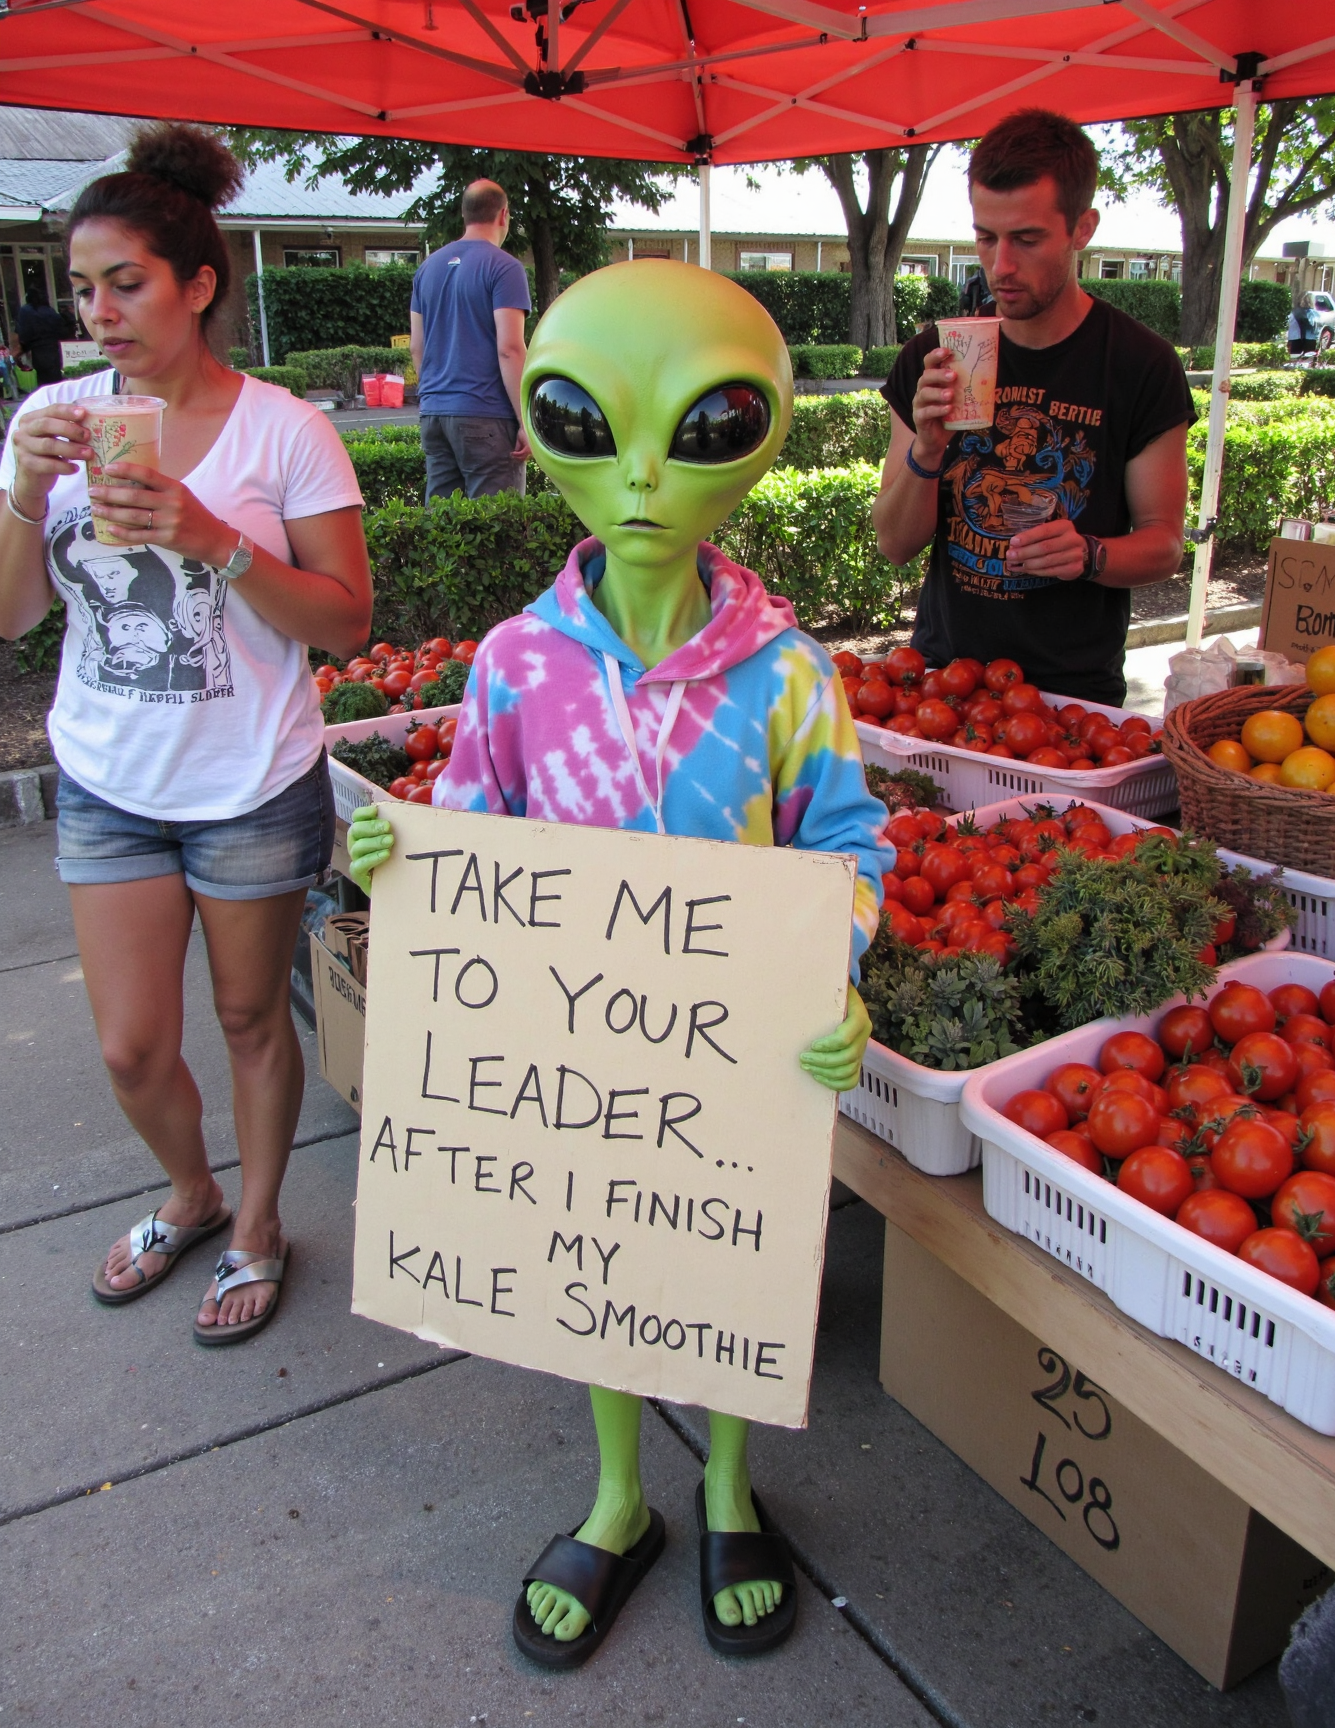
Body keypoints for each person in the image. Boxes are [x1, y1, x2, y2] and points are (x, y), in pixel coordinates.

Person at [347, 260, 891, 1667]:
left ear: (759, 438)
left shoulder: (789, 676)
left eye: (703, 426)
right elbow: (475, 815)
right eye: (592, 419)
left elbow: (851, 840)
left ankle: (721, 1486)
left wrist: (833, 968)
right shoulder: (516, 663)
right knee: (592, 1258)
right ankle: (614, 1495)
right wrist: (404, 861)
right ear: (544, 427)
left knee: (723, 1269)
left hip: (734, 1058)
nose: (645, 470)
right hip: (577, 1065)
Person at [0, 123, 372, 1344]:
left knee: (254, 1019)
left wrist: (213, 537)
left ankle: (258, 1222)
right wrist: (18, 495)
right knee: (127, 1044)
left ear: (198, 285)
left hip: (253, 782)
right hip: (108, 780)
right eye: (81, 287)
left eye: (126, 282)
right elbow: (10, 619)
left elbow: (348, 622)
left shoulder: (284, 432)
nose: (97, 311)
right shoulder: (51, 418)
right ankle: (191, 1190)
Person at [873, 108, 1196, 705]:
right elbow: (893, 544)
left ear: (1082, 229)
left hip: (1071, 703)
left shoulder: (1140, 366)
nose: (1001, 266)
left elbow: (1164, 544)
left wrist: (1092, 553)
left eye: (1026, 239)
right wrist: (927, 450)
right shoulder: (936, 354)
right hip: (943, 686)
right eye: (985, 237)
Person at [410, 179, 532, 502]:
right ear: (503, 215)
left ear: (465, 215)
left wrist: (439, 398)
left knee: (441, 531)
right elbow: (510, 349)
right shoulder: (505, 268)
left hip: (434, 415)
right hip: (486, 417)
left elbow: (416, 347)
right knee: (497, 531)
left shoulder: (427, 268)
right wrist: (527, 421)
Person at [16, 283, 66, 387]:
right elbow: (61, 329)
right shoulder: (50, 311)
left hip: (38, 350)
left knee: (44, 381)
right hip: (54, 349)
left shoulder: (26, 310)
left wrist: (24, 348)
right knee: (55, 380)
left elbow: (24, 333)